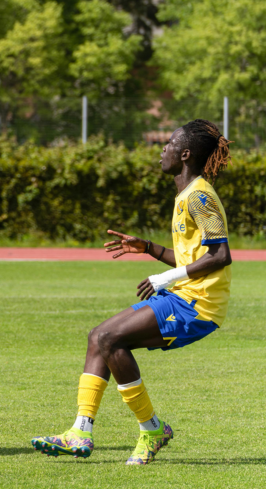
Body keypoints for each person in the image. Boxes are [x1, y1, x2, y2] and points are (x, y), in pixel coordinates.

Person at [30, 119, 233, 465]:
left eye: (169, 144)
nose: (162, 150)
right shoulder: (186, 194)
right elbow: (193, 256)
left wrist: (166, 278)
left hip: (197, 305)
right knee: (99, 338)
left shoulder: (199, 195)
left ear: (185, 154)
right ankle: (80, 432)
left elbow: (220, 256)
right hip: (183, 296)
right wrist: (150, 248)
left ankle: (152, 429)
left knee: (109, 338)